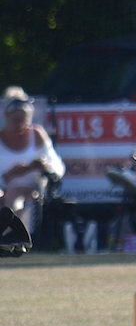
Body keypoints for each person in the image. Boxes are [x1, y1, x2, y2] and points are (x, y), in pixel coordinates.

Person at [0, 86, 65, 232]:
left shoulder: (37, 134)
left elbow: (58, 167)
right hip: (4, 191)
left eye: (25, 121)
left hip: (33, 191)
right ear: (6, 116)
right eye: (16, 121)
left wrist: (46, 166)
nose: (21, 126)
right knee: (8, 196)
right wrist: (11, 174)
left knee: (19, 195)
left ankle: (11, 232)